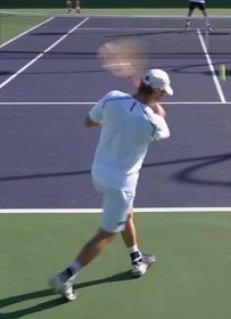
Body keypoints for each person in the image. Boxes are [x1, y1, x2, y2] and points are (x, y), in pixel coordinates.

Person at [48, 68, 173, 302]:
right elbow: (160, 118)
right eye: (163, 92)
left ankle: (136, 258)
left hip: (99, 173)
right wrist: (154, 107)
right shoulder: (154, 123)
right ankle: (66, 275)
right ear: (157, 92)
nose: (164, 96)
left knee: (127, 214)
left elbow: (89, 121)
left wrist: (115, 122)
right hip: (121, 184)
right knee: (105, 235)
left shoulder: (112, 97)